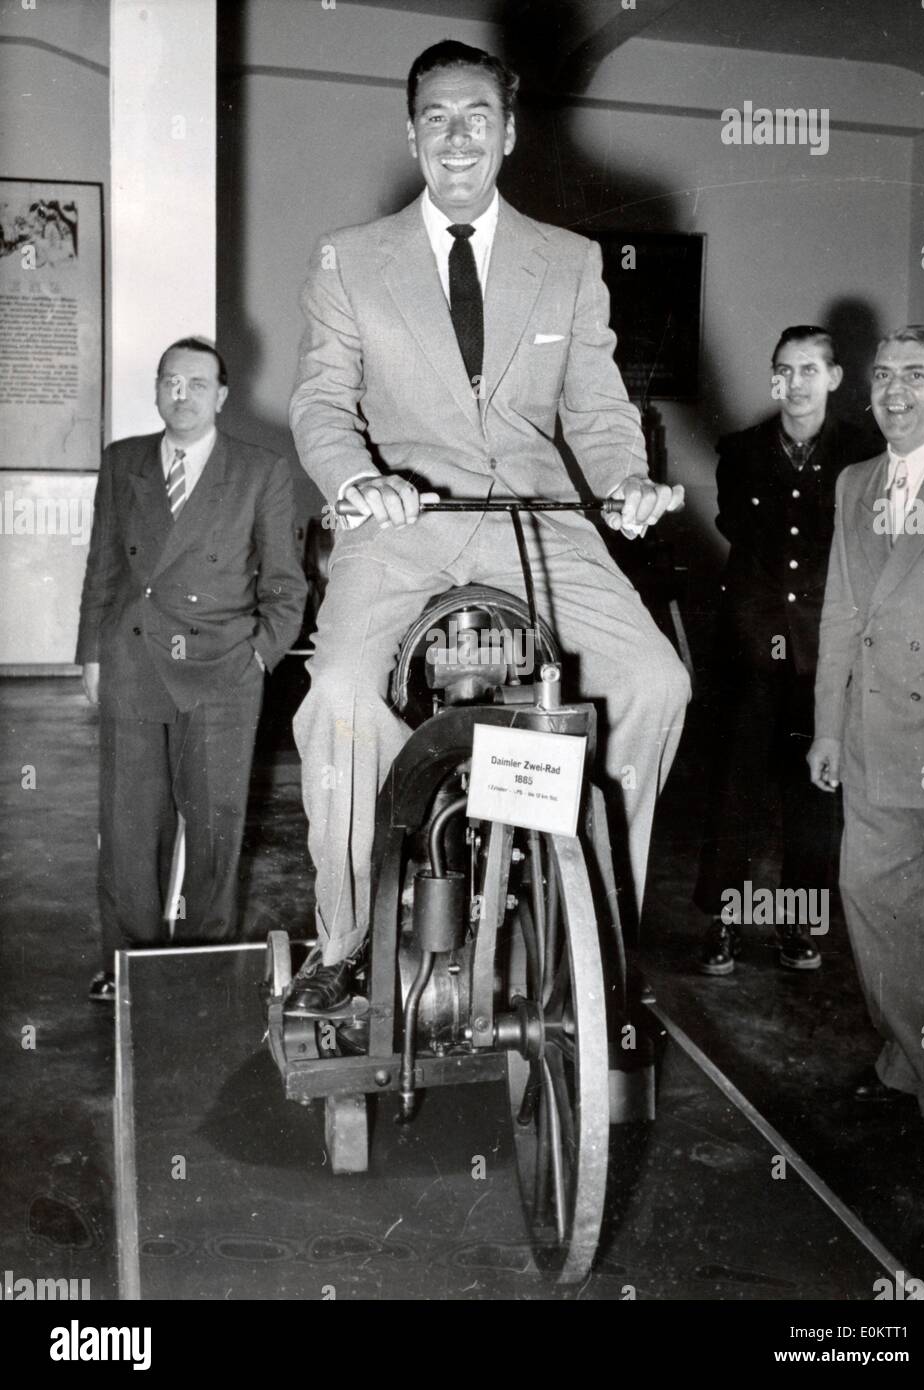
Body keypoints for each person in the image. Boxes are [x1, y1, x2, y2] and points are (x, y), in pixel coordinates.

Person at [287, 40, 690, 1011]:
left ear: (508, 133)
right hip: (401, 519)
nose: (457, 136)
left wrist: (627, 481)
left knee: (653, 681)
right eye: (436, 116)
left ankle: (592, 917)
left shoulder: (568, 260)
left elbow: (595, 408)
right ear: (411, 131)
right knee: (340, 694)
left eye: (476, 116)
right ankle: (346, 936)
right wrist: (358, 480)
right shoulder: (351, 256)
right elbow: (320, 402)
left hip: (535, 520)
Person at [76, 338, 307, 1001]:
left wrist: (259, 654)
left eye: (197, 383)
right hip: (135, 659)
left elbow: (286, 586)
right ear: (156, 391)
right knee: (129, 824)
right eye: (170, 382)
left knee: (213, 825)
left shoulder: (260, 469)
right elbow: (103, 569)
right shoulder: (124, 462)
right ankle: (126, 964)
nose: (182, 394)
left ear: (222, 396)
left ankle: (207, 955)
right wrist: (92, 652)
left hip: (221, 667)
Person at [809, 325, 924, 1173]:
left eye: (914, 375)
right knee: (876, 914)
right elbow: (839, 613)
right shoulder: (854, 482)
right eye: (880, 377)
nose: (892, 391)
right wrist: (826, 727)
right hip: (868, 742)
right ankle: (914, 1058)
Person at [693, 327, 877, 975]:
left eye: (808, 369)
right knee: (736, 789)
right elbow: (745, 548)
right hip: (751, 645)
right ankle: (724, 923)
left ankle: (798, 926)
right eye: (782, 370)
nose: (794, 383)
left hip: (831, 651)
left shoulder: (864, 451)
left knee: (813, 793)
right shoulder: (740, 451)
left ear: (832, 377)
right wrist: (763, 631)